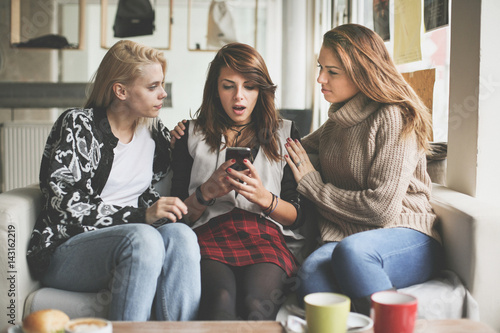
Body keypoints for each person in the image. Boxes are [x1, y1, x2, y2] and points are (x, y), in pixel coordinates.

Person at [26, 40, 201, 321]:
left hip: (131, 246)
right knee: (143, 237)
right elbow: (64, 204)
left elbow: (167, 178)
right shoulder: (77, 125)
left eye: (162, 84)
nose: (163, 94)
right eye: (152, 86)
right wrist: (140, 215)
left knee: (181, 236)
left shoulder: (154, 133)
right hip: (68, 249)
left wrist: (182, 139)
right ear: (120, 90)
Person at [283, 23, 444, 314]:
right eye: (321, 67)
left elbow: (381, 208)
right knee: (309, 277)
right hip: (350, 239)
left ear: (362, 71)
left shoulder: (394, 117)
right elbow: (289, 148)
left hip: (405, 235)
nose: (320, 78)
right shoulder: (338, 122)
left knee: (354, 252)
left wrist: (314, 186)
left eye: (332, 71)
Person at [170, 42, 307, 321]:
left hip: (265, 235)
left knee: (256, 304)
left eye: (250, 86)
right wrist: (207, 191)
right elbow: (178, 217)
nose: (238, 97)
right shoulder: (189, 134)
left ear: (262, 90)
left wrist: (264, 198)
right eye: (228, 86)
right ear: (215, 89)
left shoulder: (286, 132)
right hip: (209, 232)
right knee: (220, 300)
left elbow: (298, 216)